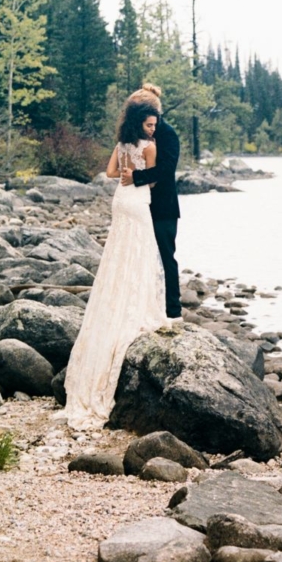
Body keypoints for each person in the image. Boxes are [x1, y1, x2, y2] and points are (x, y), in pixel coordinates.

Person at [59, 97, 169, 430]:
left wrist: (125, 170)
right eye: (150, 124)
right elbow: (152, 180)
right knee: (140, 251)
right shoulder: (149, 146)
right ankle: (135, 305)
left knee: (118, 252)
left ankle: (118, 297)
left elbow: (109, 173)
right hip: (136, 201)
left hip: (119, 201)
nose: (153, 129)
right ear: (141, 123)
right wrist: (138, 174)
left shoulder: (121, 143)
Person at [120, 83, 182, 321]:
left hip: (163, 207)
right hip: (139, 206)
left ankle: (173, 313)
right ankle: (147, 308)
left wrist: (136, 177)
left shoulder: (167, 134)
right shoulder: (137, 135)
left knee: (165, 257)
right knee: (141, 257)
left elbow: (166, 170)